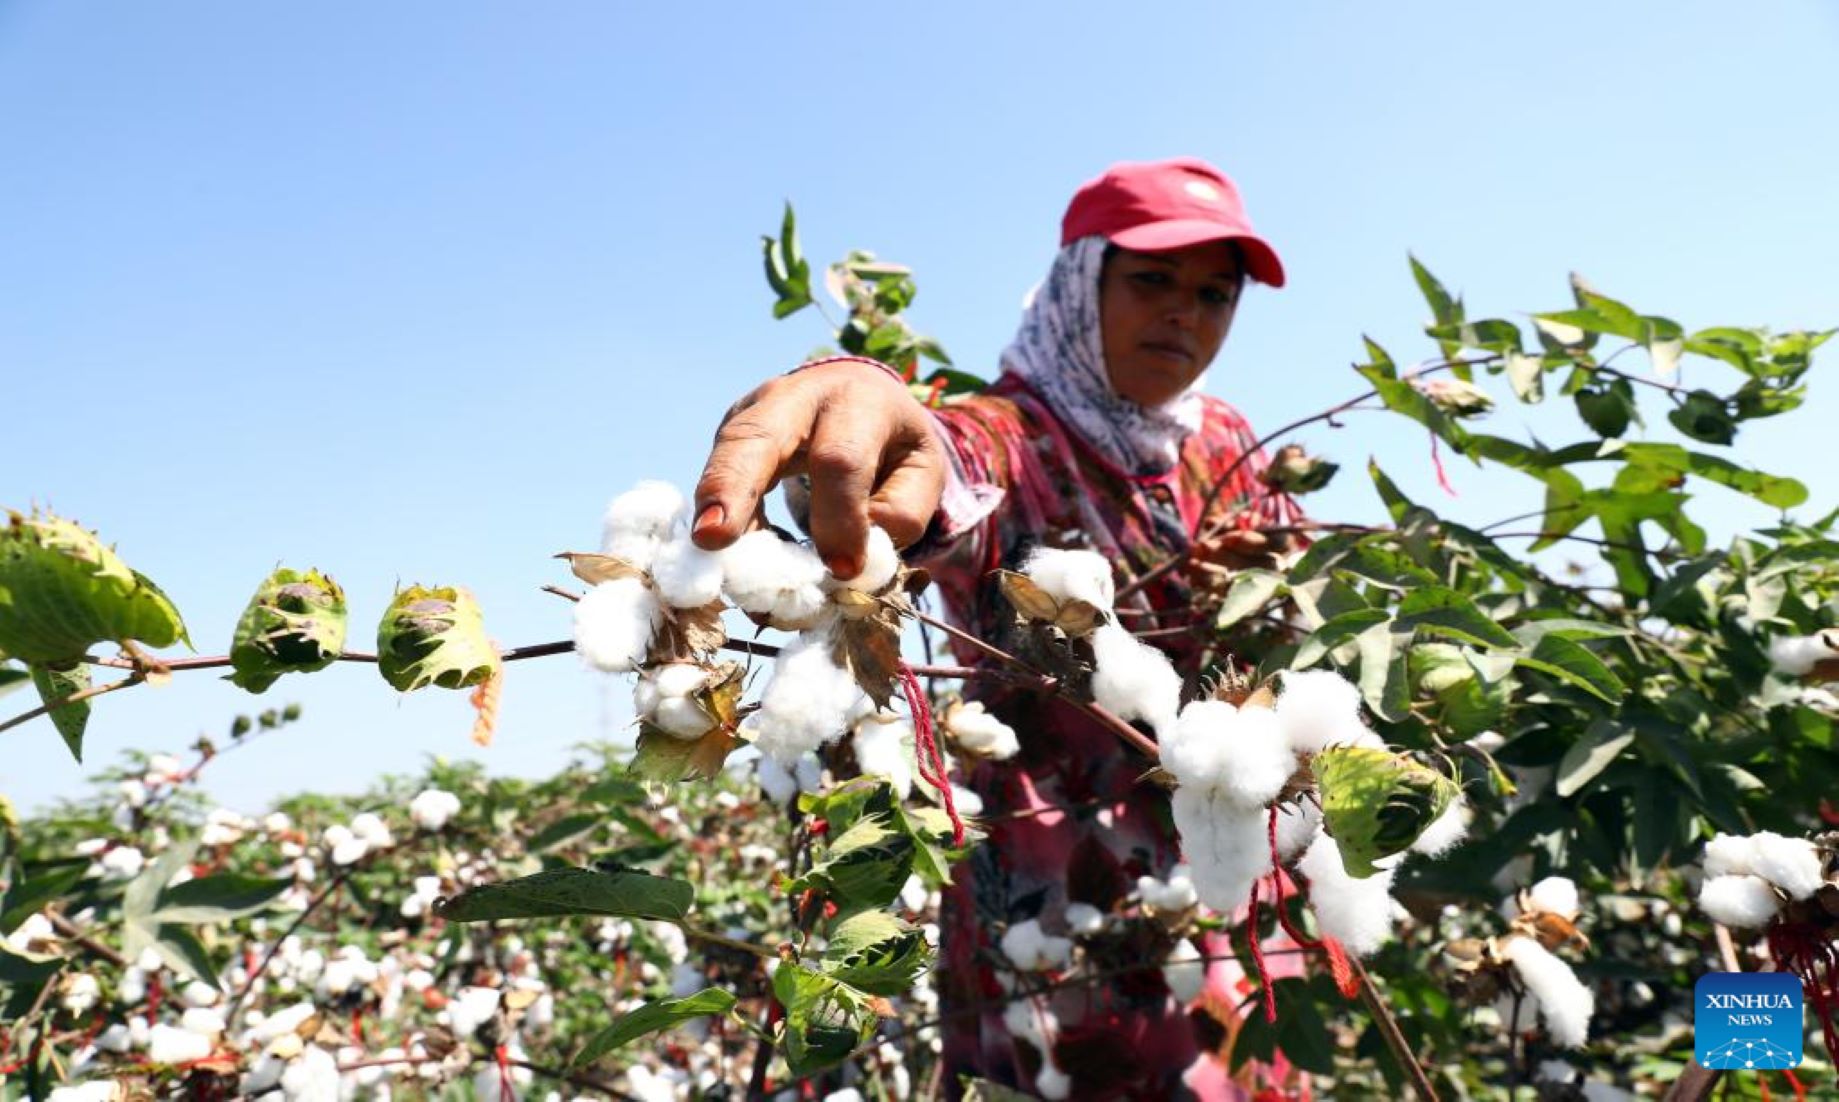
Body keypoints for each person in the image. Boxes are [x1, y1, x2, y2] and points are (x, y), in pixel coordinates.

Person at [692, 158, 1309, 1100]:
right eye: (1151, 281)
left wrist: (1273, 593)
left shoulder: (1226, 443)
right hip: (1052, 902)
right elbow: (946, 456)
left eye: (1213, 295)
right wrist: (862, 394)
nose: (1184, 314)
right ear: (1080, 282)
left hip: (1225, 882)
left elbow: (1303, 617)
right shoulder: (1017, 434)